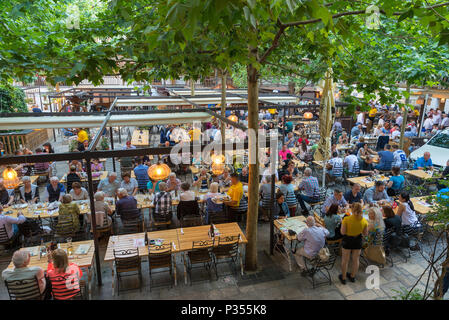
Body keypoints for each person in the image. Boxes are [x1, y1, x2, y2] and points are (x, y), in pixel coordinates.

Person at [339, 203, 369, 284]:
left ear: (352, 210)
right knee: (356, 260)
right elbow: (366, 234)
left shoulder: (346, 219)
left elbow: (342, 232)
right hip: (358, 240)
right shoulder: (364, 221)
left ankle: (344, 277)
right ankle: (352, 276)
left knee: (345, 260)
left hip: (347, 240)